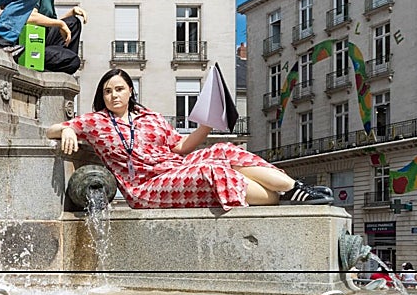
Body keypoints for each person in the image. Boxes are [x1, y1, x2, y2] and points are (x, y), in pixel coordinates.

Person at [47, 68, 334, 210]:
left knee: (224, 150)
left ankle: (295, 190)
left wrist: (207, 125)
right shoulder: (96, 122)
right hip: (144, 187)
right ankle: (281, 198)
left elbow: (181, 147)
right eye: (108, 91)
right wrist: (69, 129)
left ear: (130, 91)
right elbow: (50, 129)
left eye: (119, 89)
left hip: (174, 168)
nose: (113, 95)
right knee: (211, 170)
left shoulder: (151, 118)